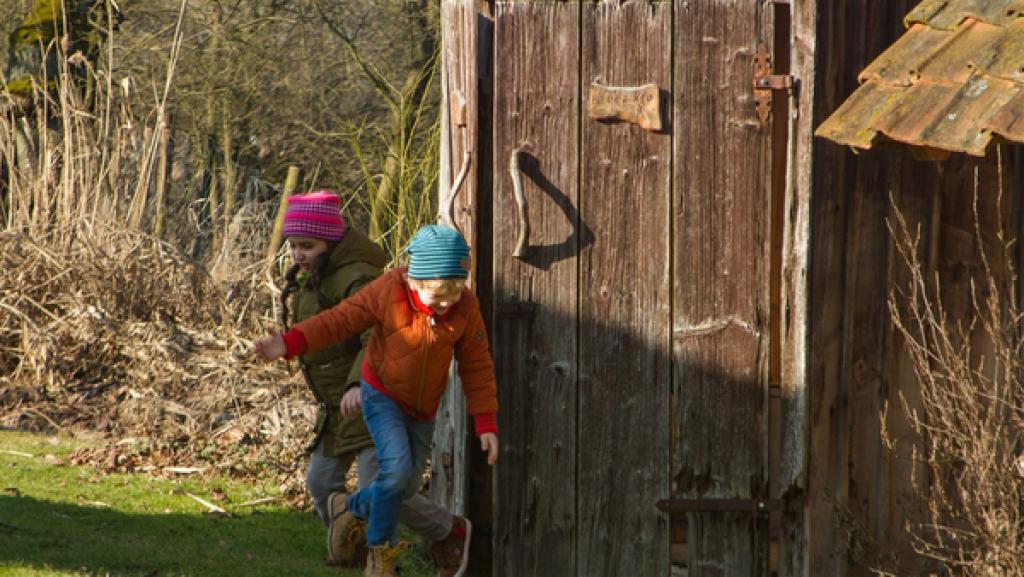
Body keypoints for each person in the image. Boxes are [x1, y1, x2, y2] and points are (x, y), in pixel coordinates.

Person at [255, 224, 499, 577]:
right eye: (437, 296)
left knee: (404, 486)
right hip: (381, 394)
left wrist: (486, 422)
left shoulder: (464, 306)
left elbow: (477, 364)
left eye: (455, 293)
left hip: (422, 408)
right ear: (415, 280)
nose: (446, 304)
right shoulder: (390, 289)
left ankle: (349, 507)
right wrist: (288, 343)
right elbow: (338, 321)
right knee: (396, 473)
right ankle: (380, 555)